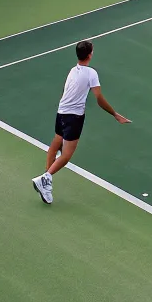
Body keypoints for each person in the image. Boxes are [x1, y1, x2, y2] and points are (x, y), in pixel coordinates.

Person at [31, 39, 129, 204]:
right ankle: (45, 178)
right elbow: (99, 98)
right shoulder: (91, 73)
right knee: (66, 155)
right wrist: (115, 114)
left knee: (56, 145)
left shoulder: (72, 70)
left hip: (61, 112)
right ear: (90, 55)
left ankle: (46, 181)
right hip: (74, 117)